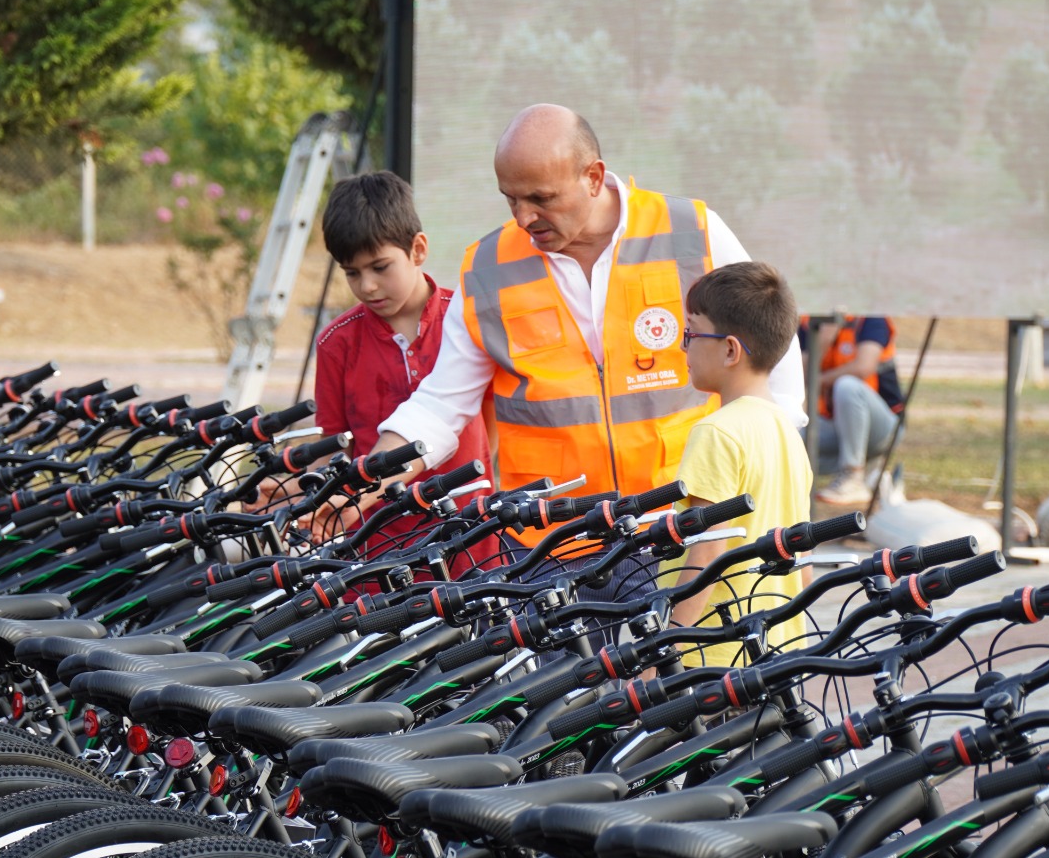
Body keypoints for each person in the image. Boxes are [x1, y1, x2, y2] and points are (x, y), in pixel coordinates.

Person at [350, 104, 806, 570]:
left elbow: (772, 355)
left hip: (680, 528)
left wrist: (776, 459)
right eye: (511, 199)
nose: (524, 217)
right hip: (550, 543)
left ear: (593, 177)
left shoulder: (694, 231)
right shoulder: (486, 268)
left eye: (541, 198)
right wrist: (366, 479)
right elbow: (440, 405)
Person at [308, 170, 498, 573]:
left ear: (418, 249)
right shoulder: (335, 344)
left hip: (472, 535)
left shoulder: (466, 319)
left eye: (380, 267)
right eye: (352, 273)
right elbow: (333, 447)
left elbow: (495, 431)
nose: (369, 287)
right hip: (377, 544)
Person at [667, 262, 811, 663]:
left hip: (712, 656)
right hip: (774, 649)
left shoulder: (717, 432)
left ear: (729, 349)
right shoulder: (785, 431)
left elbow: (708, 552)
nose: (684, 348)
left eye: (691, 334)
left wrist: (665, 649)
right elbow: (802, 552)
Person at [805, 315, 904, 506]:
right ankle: (871, 473)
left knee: (847, 386)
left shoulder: (871, 320)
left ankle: (853, 476)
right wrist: (824, 338)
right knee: (790, 437)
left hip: (883, 429)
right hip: (835, 426)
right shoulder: (810, 322)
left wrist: (819, 381)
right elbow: (798, 374)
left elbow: (863, 367)